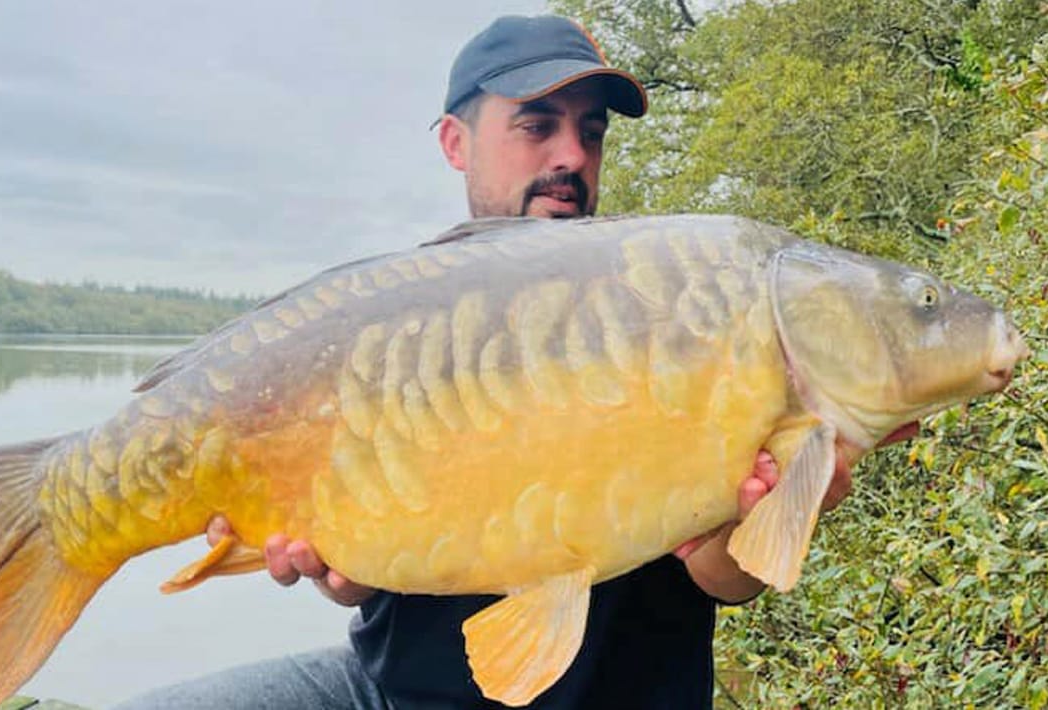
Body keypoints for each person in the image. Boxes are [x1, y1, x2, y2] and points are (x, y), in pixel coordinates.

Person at [114, 15, 859, 709]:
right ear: (455, 142)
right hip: (388, 692)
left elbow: (722, 580)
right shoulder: (383, 322)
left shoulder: (676, 306)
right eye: (537, 126)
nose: (572, 156)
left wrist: (770, 511)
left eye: (591, 132)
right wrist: (335, 569)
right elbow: (355, 582)